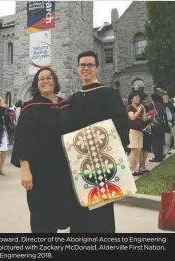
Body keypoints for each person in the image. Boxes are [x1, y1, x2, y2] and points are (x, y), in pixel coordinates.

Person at [67, 51, 130, 233]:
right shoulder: (74, 98)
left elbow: (121, 124)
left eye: (90, 65)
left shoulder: (109, 94)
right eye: (83, 65)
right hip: (79, 162)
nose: (86, 68)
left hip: (103, 160)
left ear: (97, 68)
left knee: (101, 208)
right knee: (80, 206)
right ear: (78, 68)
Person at [11, 67, 79, 233]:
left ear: (55, 81)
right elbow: (22, 140)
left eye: (49, 77)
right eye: (41, 78)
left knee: (61, 212)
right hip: (41, 171)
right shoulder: (31, 108)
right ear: (37, 84)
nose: (46, 80)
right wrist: (25, 170)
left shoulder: (66, 105)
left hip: (65, 170)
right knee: (42, 219)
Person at [149, 93, 165, 162]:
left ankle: (157, 157)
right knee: (160, 140)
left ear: (152, 98)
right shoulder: (161, 105)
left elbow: (150, 114)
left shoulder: (152, 105)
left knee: (155, 141)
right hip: (161, 124)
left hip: (155, 124)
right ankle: (160, 156)